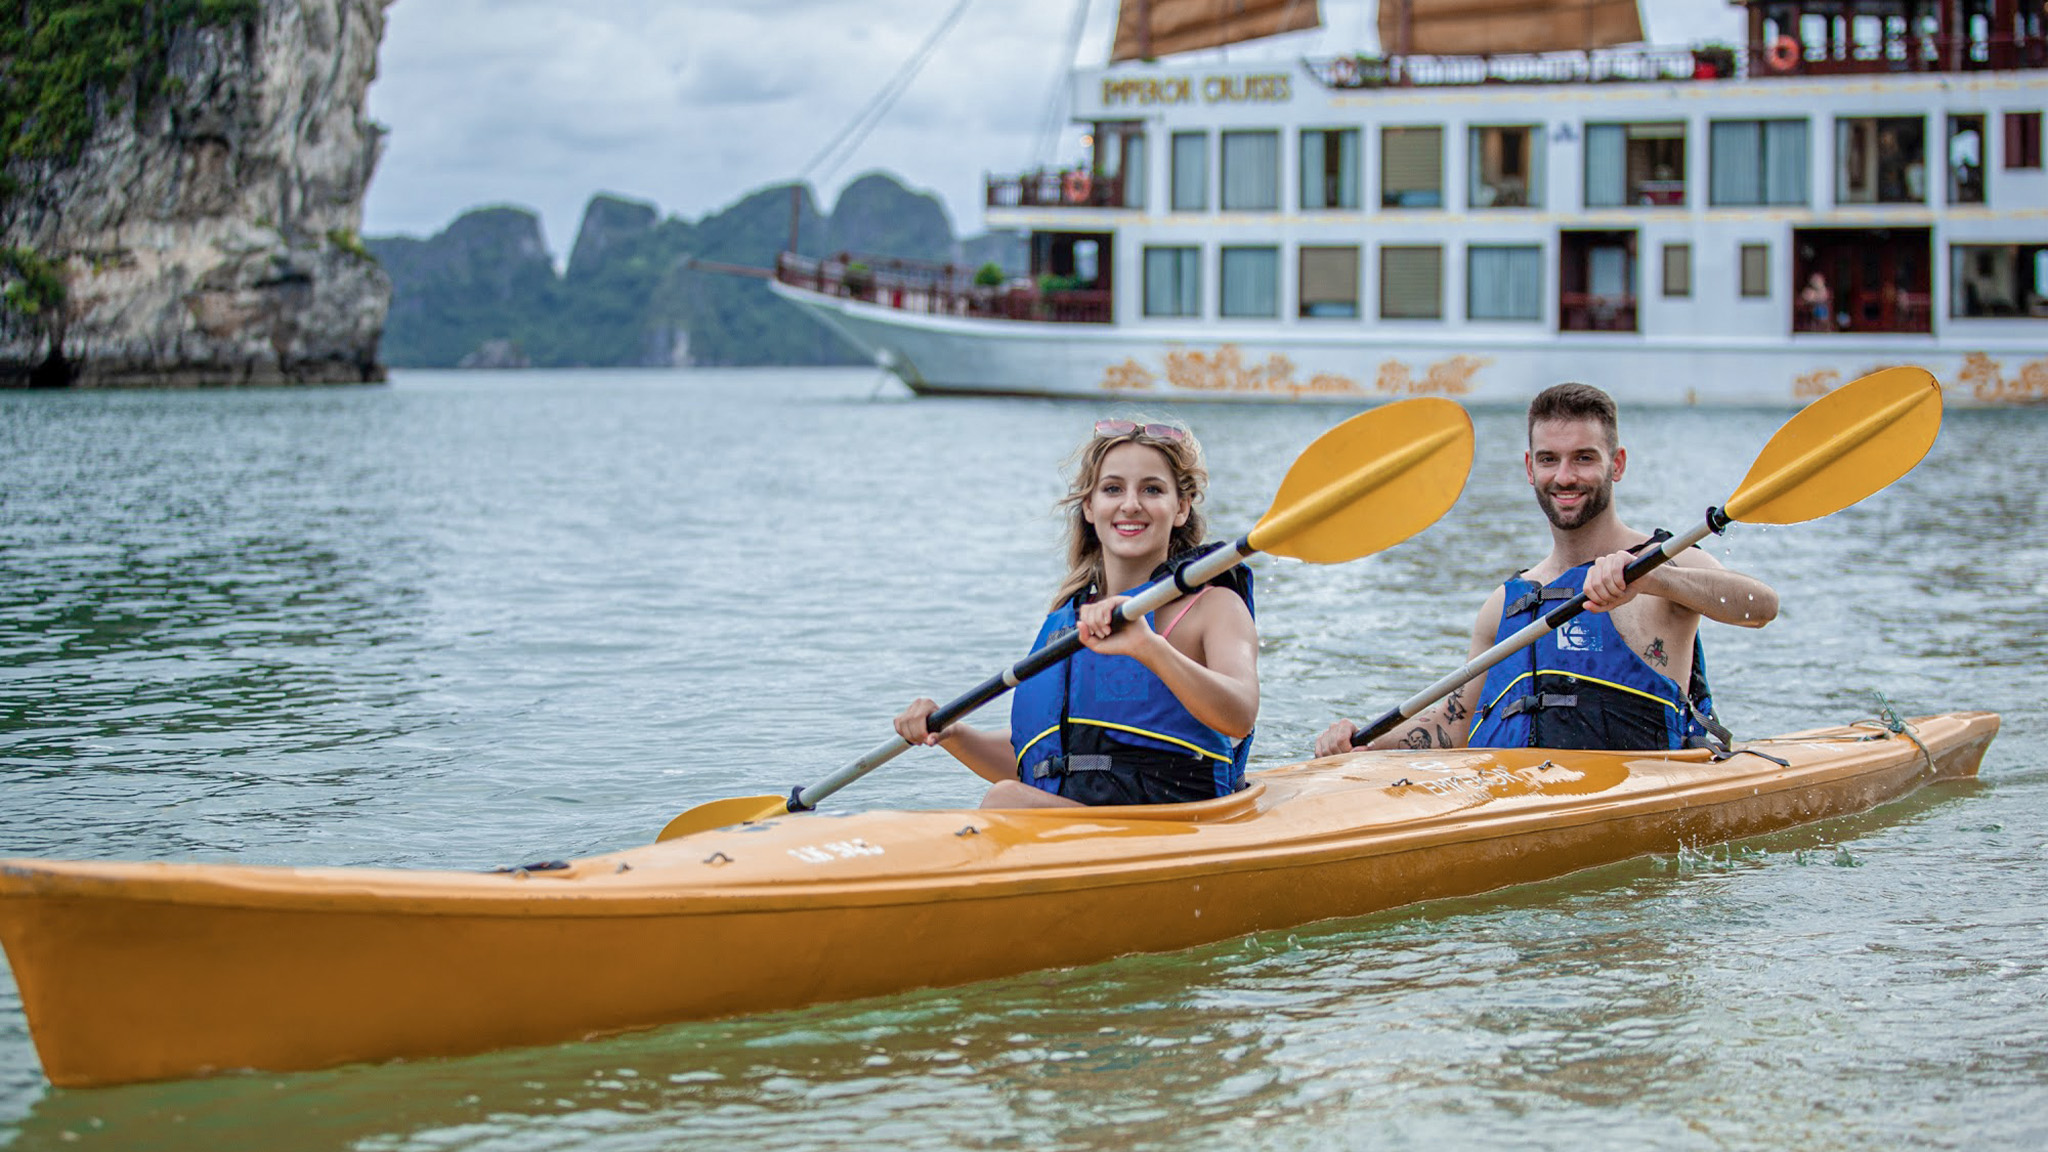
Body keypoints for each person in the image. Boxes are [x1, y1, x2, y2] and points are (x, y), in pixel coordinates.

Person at [1314, 382, 1779, 756]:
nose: (1564, 477)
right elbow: (1452, 726)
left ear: (1616, 465)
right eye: (1548, 460)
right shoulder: (1504, 604)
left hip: (1635, 798)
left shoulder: (1664, 560)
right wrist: (1363, 745)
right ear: (1529, 468)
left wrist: (1655, 579)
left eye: (1584, 458)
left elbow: (1760, 608)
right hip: (1514, 802)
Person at [896, 419, 1259, 808]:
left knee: (1007, 801)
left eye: (1152, 489)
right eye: (1112, 489)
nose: (1131, 504)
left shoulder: (1212, 606)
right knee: (1011, 796)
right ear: (1089, 506)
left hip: (1175, 825)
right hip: (1087, 829)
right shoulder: (1068, 619)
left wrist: (1149, 648)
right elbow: (1039, 765)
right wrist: (953, 734)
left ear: (1181, 508)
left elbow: (1240, 713)